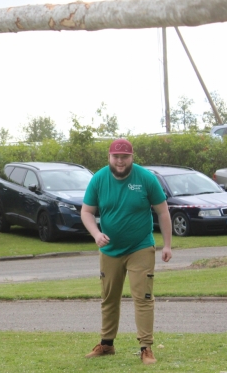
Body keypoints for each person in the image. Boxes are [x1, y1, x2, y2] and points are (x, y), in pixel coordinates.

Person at [80, 138, 172, 365]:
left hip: (140, 246)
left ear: (132, 157)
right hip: (110, 249)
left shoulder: (146, 179)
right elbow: (87, 212)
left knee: (143, 297)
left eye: (125, 157)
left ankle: (146, 348)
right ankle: (106, 344)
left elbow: (163, 212)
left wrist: (167, 245)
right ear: (109, 157)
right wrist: (96, 234)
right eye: (116, 157)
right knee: (109, 298)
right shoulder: (99, 179)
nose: (120, 161)